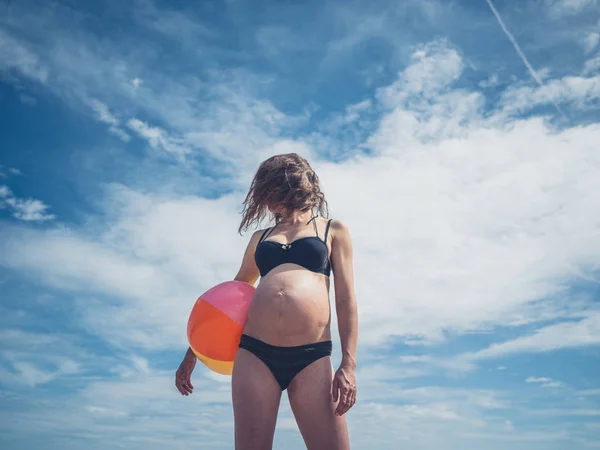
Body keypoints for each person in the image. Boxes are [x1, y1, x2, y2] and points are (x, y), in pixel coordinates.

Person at [175, 153, 358, 450]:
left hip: (311, 356)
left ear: (292, 184)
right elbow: (231, 295)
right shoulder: (261, 237)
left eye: (270, 188)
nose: (265, 199)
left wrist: (348, 365)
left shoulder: (331, 229)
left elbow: (346, 300)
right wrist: (194, 350)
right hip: (255, 354)